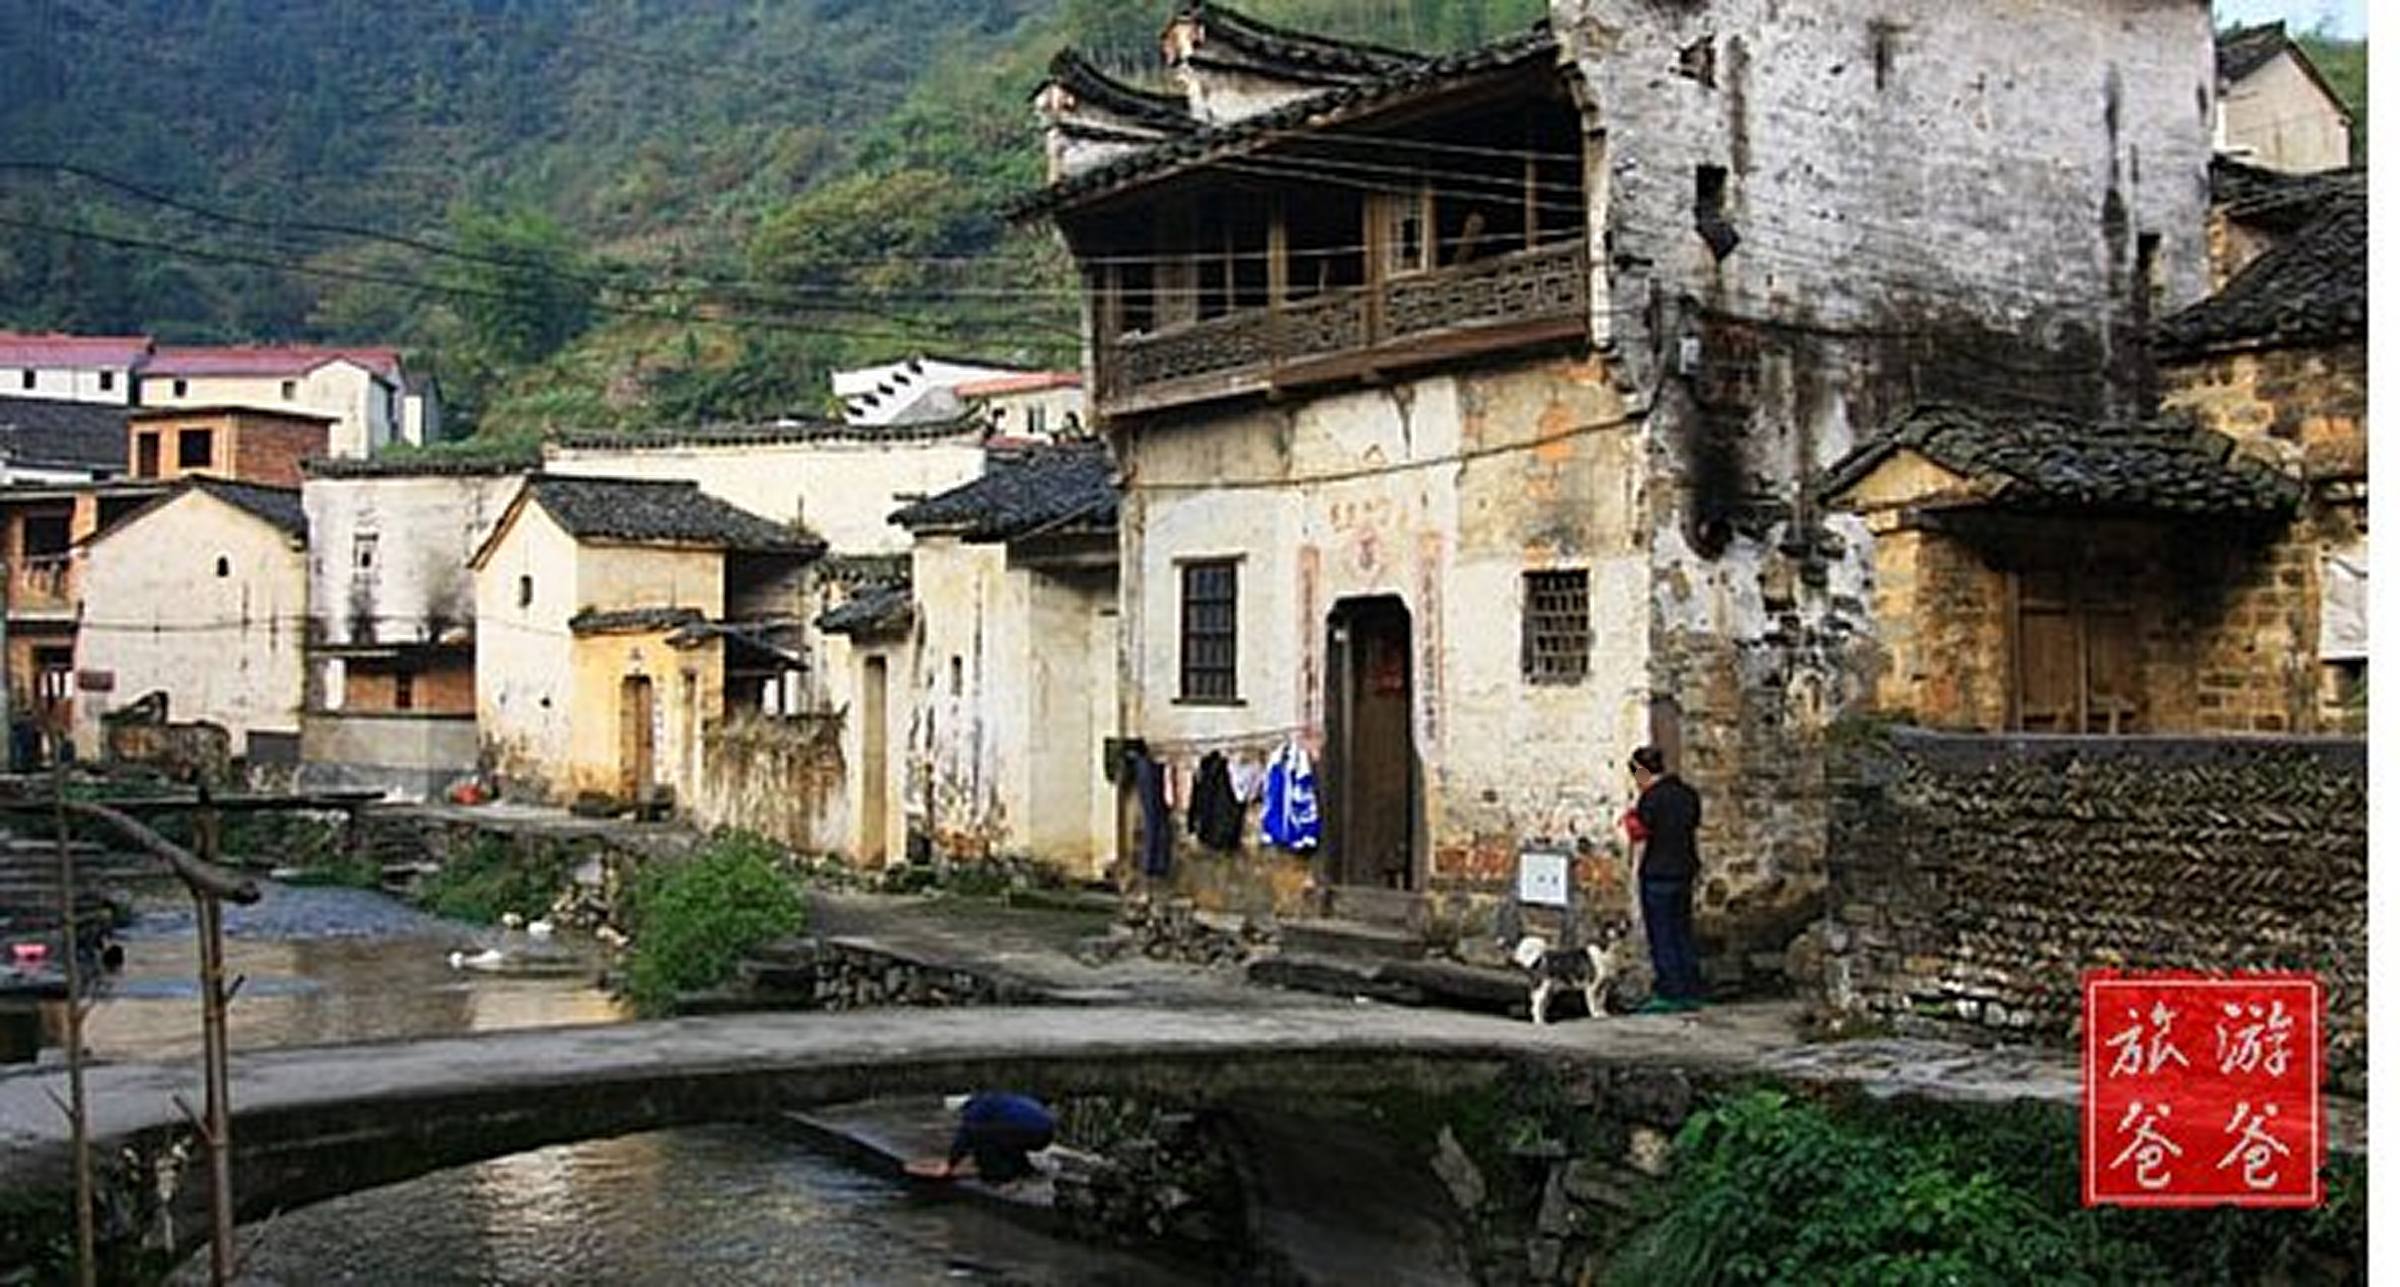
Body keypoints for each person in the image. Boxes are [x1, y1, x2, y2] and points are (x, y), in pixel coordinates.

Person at [1627, 745, 1705, 1013]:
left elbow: (1641, 832)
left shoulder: (1651, 799)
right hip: (1685, 869)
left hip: (1658, 870)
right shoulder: (1688, 795)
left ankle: (1670, 991)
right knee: (1682, 931)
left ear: (1642, 771)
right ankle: (1691, 988)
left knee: (1662, 934)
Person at [907, 1091, 1056, 1184]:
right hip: (1047, 1132)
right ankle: (1023, 1169)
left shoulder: (975, 1110)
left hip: (1029, 1132)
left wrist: (950, 1164)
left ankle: (998, 1176)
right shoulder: (994, 1098)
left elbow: (965, 1137)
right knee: (1002, 1135)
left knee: (981, 1137)